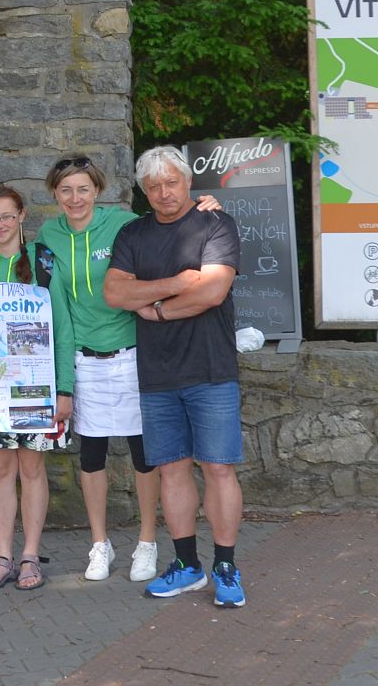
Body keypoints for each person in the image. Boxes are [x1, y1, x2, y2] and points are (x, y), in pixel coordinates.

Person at [103, 145, 247, 608]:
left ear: (187, 181)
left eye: (172, 182)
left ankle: (225, 566)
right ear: (144, 192)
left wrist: (158, 309)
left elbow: (214, 290)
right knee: (171, 470)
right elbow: (115, 293)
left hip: (211, 369)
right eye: (154, 186)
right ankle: (187, 565)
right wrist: (180, 282)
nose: (164, 193)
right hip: (158, 374)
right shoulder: (133, 233)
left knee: (219, 468)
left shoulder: (216, 224)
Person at [36, 153, 162, 584]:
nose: (75, 198)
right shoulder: (49, 235)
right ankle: (99, 544)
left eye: (83, 189)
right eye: (66, 190)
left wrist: (205, 208)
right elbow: (55, 306)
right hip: (85, 359)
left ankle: (147, 542)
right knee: (92, 457)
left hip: (131, 355)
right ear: (55, 194)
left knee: (144, 454)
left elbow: (171, 228)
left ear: (97, 191)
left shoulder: (124, 224)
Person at [0, 185, 76, 594]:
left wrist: (65, 389)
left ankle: (30, 554)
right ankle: (2, 557)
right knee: (0, 470)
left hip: (34, 385)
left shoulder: (43, 261)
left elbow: (62, 327)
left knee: (31, 469)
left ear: (22, 215)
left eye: (7, 216)